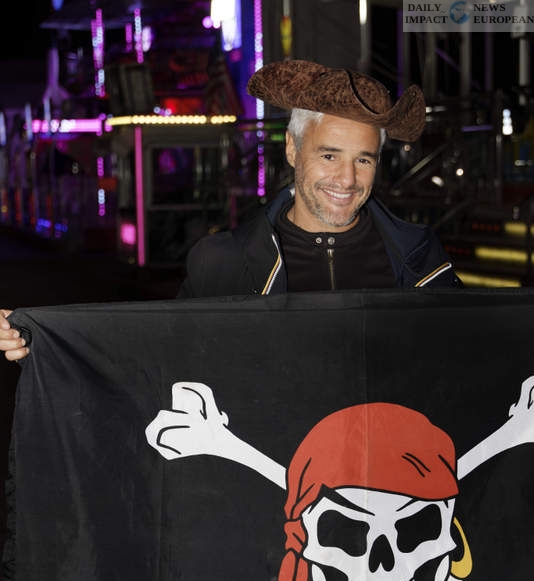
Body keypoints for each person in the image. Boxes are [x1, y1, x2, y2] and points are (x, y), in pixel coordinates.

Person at [0, 59, 461, 361]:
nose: (347, 179)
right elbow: (158, 357)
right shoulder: (222, 262)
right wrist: (42, 341)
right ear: (293, 149)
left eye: (364, 160)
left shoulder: (419, 259)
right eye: (329, 155)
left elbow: (471, 362)